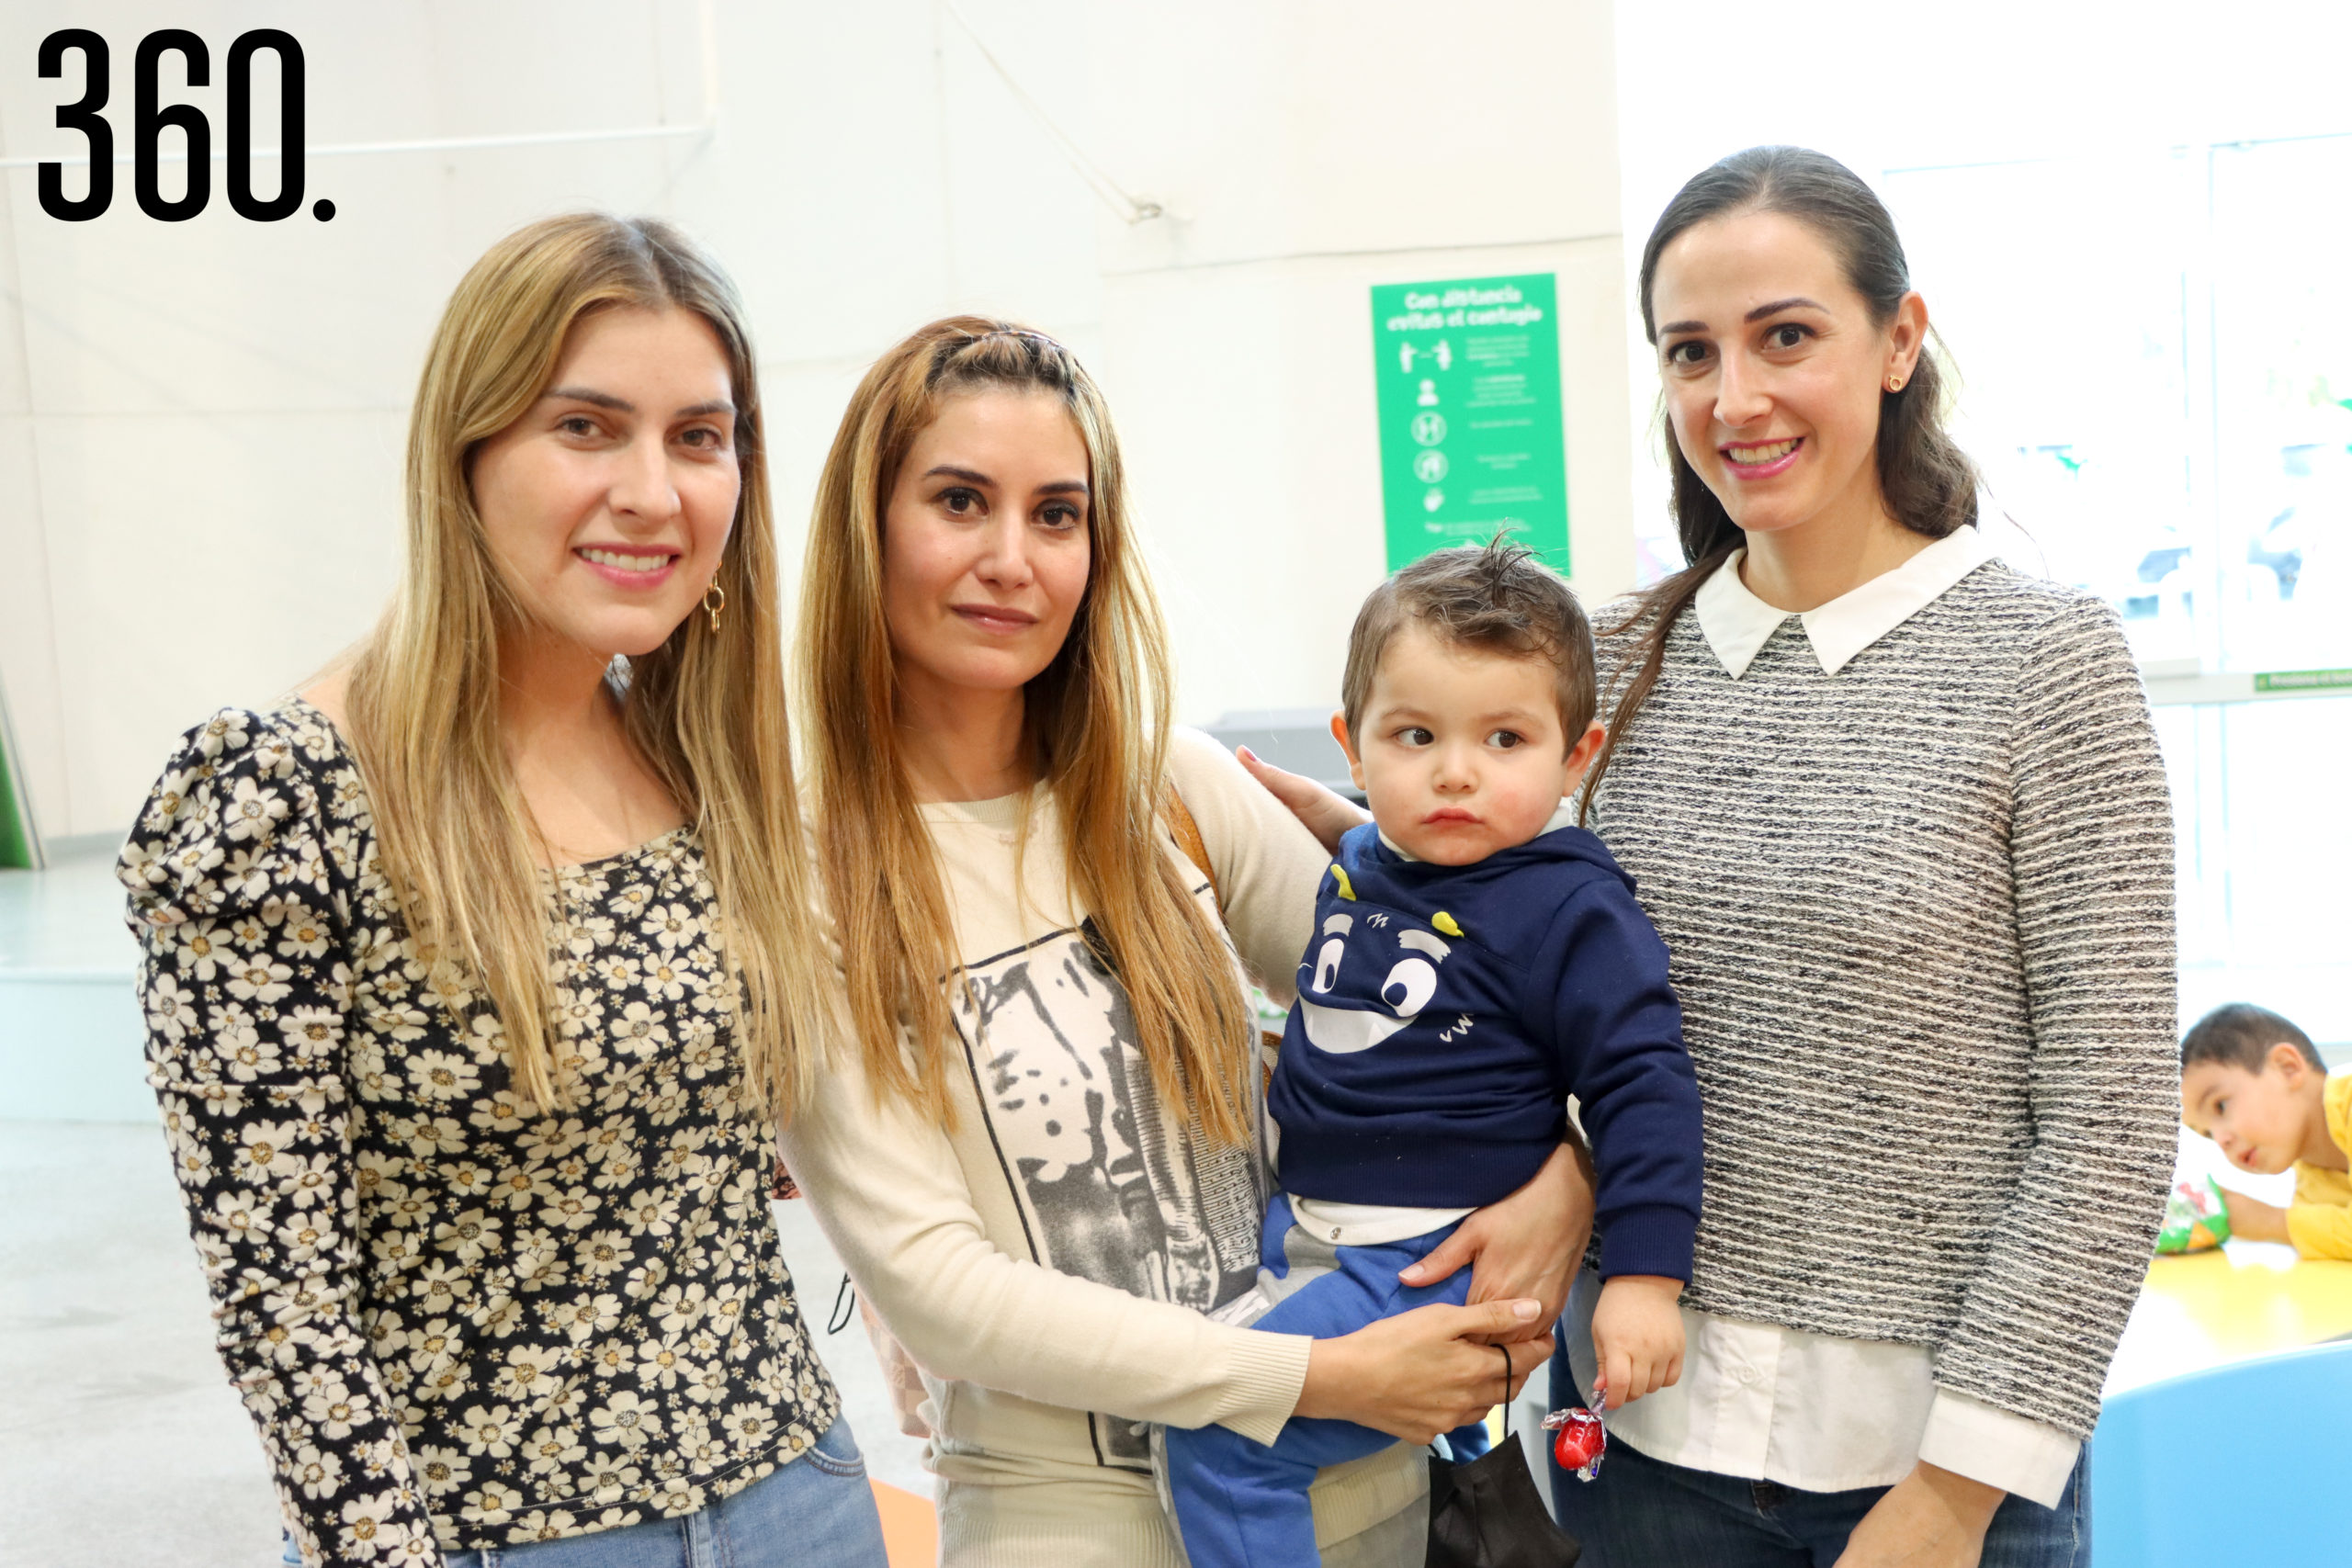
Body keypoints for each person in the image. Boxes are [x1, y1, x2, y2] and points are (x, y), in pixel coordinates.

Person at [1246, 145, 2178, 1568]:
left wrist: (1956, 1494)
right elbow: (1524, 1000)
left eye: (1784, 336)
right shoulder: (1599, 667)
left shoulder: (2045, 663)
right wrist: (1564, 1158)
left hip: (1934, 1462)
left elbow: (2109, 1124)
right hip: (1639, 1447)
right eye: (1692, 352)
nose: (1733, 399)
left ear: (1899, 341)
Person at [118, 215, 887, 1567]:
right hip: (497, 1533)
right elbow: (283, 1296)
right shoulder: (280, 790)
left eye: (700, 437)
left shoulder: (701, 753)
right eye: (586, 427)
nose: (654, 490)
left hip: (797, 1495)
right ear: (463, 453)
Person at [775, 318, 1591, 1568]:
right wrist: (1305, 1371)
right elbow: (941, 1284)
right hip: (1073, 1520)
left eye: (1057, 514)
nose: (1012, 557)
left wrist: (1568, 1176)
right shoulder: (807, 877)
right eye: (958, 500)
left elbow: (1468, 1014)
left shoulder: (1173, 791)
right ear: (868, 527)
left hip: (1369, 1483)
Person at [1159, 538, 1705, 1568]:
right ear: (1352, 745)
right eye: (1415, 736)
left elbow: (1648, 1088)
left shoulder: (1572, 908)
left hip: (1428, 1260)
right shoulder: (1375, 857)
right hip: (1319, 1229)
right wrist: (1339, 823)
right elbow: (1389, 864)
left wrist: (1642, 1280)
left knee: (1221, 1434)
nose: (1455, 772)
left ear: (1576, 757)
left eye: (1505, 739)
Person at [2179, 1003, 2352, 1258]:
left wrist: (2271, 1221)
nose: (2221, 1140)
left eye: (2221, 1106)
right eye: (2207, 1133)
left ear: (2287, 1068)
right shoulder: (2311, 1187)